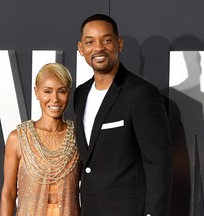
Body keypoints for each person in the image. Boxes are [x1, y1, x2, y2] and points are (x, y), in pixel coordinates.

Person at [74, 14, 173, 216]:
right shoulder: (80, 94)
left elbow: (158, 163)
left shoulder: (141, 94)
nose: (98, 48)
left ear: (119, 44)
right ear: (81, 48)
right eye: (90, 41)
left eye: (106, 40)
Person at [0, 63, 81, 216]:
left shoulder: (79, 137)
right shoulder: (18, 138)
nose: (54, 99)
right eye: (47, 91)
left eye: (61, 91)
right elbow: (9, 193)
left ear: (69, 94)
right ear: (36, 93)